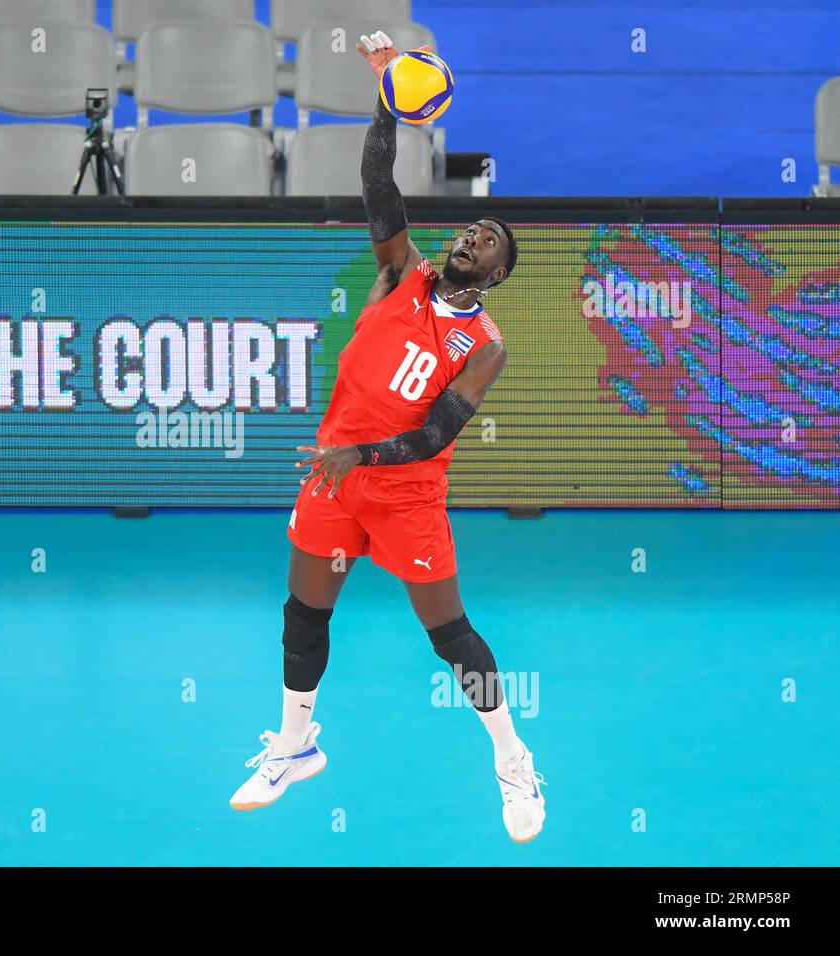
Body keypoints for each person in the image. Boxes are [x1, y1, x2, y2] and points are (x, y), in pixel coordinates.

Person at [229, 31, 546, 843]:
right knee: (305, 613)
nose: (473, 238)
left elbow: (438, 431)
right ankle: (296, 746)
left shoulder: (485, 346)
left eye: (489, 242)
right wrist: (386, 95)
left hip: (403, 490)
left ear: (497, 274)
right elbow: (377, 177)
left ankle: (512, 759)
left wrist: (362, 456)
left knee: (450, 635)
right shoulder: (400, 270)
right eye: (473, 229)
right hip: (335, 475)